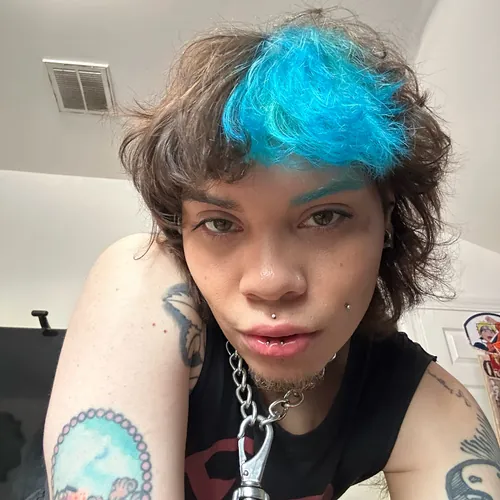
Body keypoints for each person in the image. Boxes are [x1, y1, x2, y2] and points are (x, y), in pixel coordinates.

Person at [43, 8, 500, 500]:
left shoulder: (424, 404)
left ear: (386, 221)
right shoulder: (147, 290)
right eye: (220, 223)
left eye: (325, 217)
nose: (269, 281)